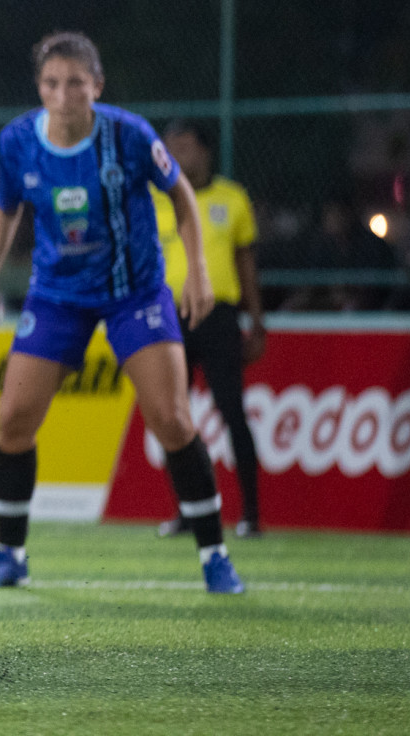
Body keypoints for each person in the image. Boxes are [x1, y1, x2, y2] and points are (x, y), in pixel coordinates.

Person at [0, 32, 243, 594]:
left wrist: (200, 273)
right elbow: (6, 208)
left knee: (172, 420)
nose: (62, 94)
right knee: (13, 421)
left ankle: (215, 555)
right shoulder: (18, 140)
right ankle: (8, 554)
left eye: (75, 83)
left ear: (97, 86)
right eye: (51, 83)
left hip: (134, 293)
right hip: (57, 296)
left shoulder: (128, 135)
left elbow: (183, 196)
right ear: (39, 88)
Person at [149, 121, 266, 540]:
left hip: (218, 318)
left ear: (205, 151)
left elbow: (246, 264)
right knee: (173, 417)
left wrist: (257, 320)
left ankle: (251, 513)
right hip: (168, 318)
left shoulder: (232, 199)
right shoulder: (155, 199)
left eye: (184, 145)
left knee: (232, 411)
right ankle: (188, 510)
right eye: (169, 146)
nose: (175, 153)